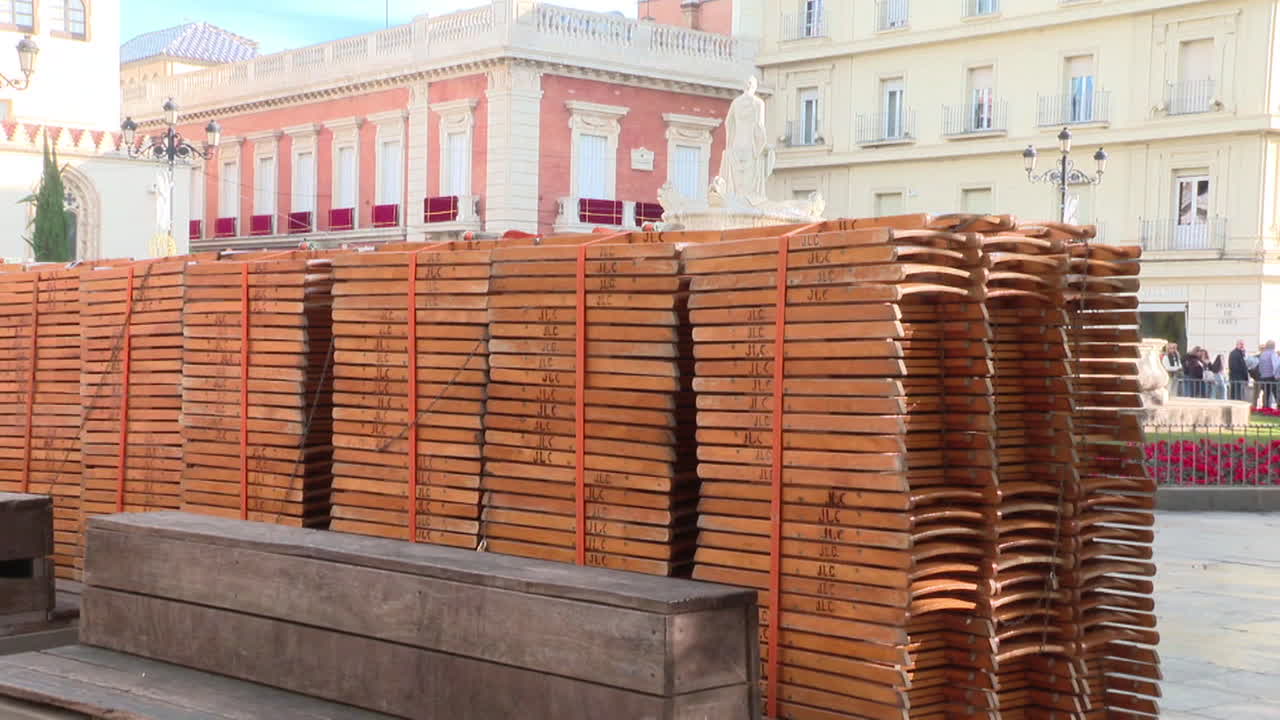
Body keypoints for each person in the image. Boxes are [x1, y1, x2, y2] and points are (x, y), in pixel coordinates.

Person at [1260, 341, 1279, 409]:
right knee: (1277, 393)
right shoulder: (1273, 354)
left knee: (1266, 394)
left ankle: (1265, 408)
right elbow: (1276, 365)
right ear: (1273, 346)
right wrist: (1277, 376)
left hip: (1264, 377)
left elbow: (1260, 366)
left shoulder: (1263, 354)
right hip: (1272, 377)